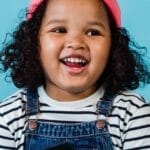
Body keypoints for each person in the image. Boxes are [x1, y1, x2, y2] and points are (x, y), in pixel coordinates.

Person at [0, 0, 150, 149]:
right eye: (59, 30)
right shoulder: (9, 117)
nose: (76, 42)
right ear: (33, 41)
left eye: (93, 32)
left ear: (114, 45)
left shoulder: (132, 114)